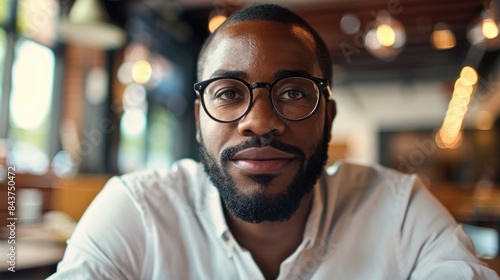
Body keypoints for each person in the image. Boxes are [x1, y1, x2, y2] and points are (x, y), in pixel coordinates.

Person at [48, 4, 499, 280]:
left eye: (293, 92)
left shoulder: (399, 213)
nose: (260, 122)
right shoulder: (139, 211)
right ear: (199, 119)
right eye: (227, 93)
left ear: (329, 116)